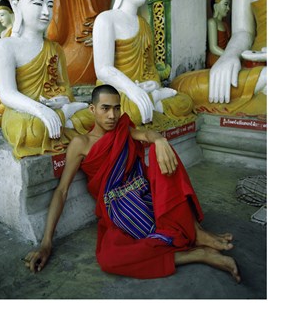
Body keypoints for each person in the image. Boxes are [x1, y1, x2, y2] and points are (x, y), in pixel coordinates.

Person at [24, 84, 241, 283]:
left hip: (145, 193)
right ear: (92, 109)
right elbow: (62, 191)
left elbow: (146, 133)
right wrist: (46, 243)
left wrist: (159, 139)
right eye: (105, 108)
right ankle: (194, 253)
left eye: (117, 109)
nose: (112, 115)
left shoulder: (123, 130)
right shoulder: (81, 144)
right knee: (110, 259)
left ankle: (196, 231)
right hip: (118, 207)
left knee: (159, 150)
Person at [92, 0, 195, 131]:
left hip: (142, 90)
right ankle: (152, 102)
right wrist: (133, 89)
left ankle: (152, 100)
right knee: (130, 112)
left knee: (185, 101)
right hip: (117, 91)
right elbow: (103, 69)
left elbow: (149, 68)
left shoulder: (144, 26)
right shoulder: (106, 19)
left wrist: (153, 83)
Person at [0, 0, 89, 158]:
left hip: (55, 107)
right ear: (16, 5)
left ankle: (64, 116)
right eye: (38, 3)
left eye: (51, 5)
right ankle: (64, 117)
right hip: (25, 113)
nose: (46, 12)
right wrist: (41, 111)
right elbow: (7, 93)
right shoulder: (4, 46)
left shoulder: (55, 48)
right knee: (31, 130)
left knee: (92, 117)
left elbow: (64, 88)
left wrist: (62, 100)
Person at [170, 0, 266, 118]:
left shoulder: (223, 24)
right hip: (251, 66)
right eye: (225, 5)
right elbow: (243, 32)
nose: (228, 9)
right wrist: (231, 54)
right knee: (180, 86)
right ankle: (264, 79)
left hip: (258, 67)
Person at [206, 0, 231, 68]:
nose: (228, 8)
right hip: (216, 57)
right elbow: (213, 47)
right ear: (216, 6)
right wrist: (229, 55)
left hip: (225, 56)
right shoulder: (212, 22)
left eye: (228, 5)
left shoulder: (225, 24)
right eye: (226, 4)